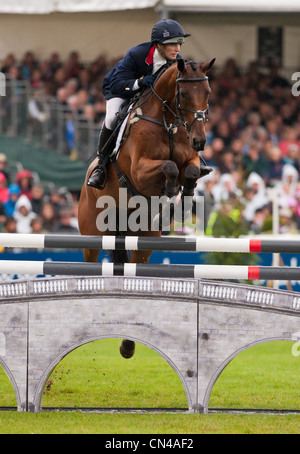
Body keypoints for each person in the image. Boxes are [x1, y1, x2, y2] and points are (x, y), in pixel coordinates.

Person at [87, 19, 191, 189]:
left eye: (179, 43)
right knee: (113, 117)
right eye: (172, 44)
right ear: (158, 45)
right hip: (121, 89)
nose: (177, 49)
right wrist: (138, 83)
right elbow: (116, 83)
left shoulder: (176, 61)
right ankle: (101, 166)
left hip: (150, 95)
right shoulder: (137, 54)